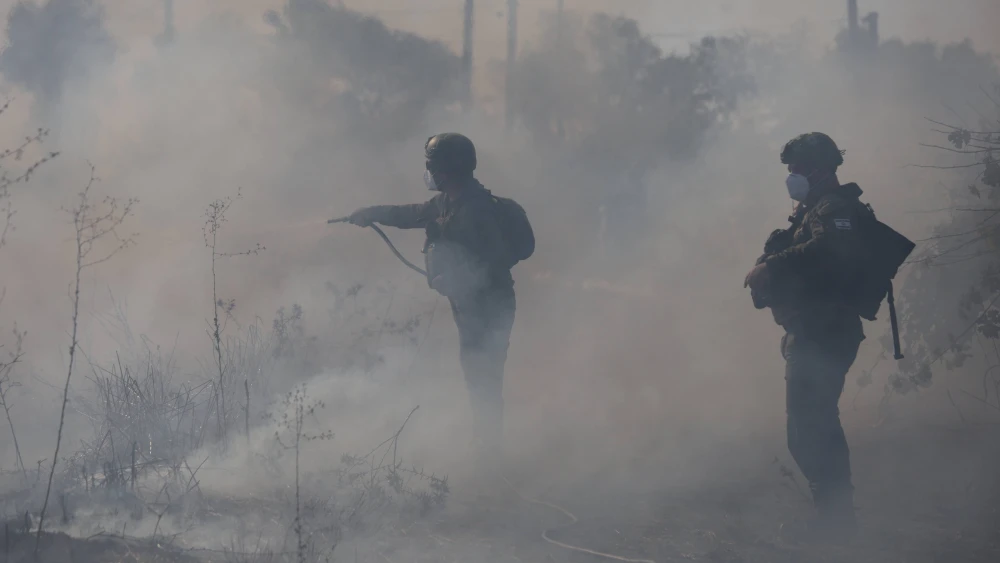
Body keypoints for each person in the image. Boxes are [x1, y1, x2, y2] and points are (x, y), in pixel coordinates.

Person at [346, 133, 521, 462]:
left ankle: (490, 453)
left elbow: (493, 261)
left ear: (445, 170)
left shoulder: (475, 210)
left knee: (483, 374)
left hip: (489, 306)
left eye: (431, 166)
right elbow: (410, 214)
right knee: (476, 372)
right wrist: (370, 213)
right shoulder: (449, 203)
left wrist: (456, 278)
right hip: (470, 305)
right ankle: (485, 445)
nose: (428, 173)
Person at [744, 132, 866, 541]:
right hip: (812, 331)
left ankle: (835, 522)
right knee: (810, 424)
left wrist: (771, 267)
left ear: (820, 168)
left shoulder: (834, 208)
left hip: (826, 332)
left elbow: (832, 249)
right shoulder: (812, 209)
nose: (791, 177)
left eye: (796, 169)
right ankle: (834, 517)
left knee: (812, 425)